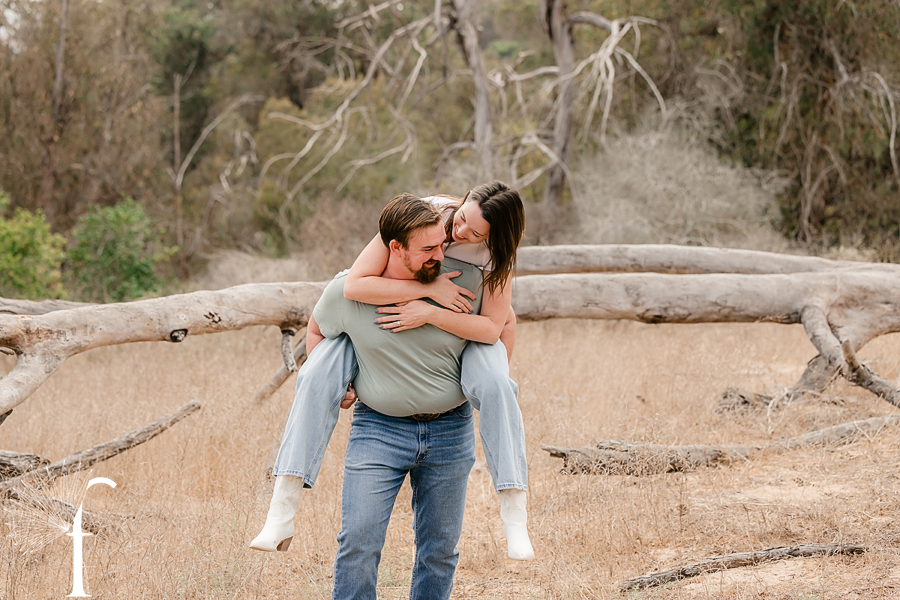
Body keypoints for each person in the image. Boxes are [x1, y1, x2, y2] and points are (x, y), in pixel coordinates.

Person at [251, 182, 533, 560]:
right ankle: (282, 507)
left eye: (475, 233)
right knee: (316, 371)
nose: (458, 233)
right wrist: (427, 290)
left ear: (493, 238)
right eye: (462, 218)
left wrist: (432, 313)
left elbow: (496, 326)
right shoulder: (425, 215)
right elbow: (355, 284)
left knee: (498, 380)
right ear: (461, 201)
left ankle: (514, 510)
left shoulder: (496, 259)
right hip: (380, 413)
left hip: (461, 379)